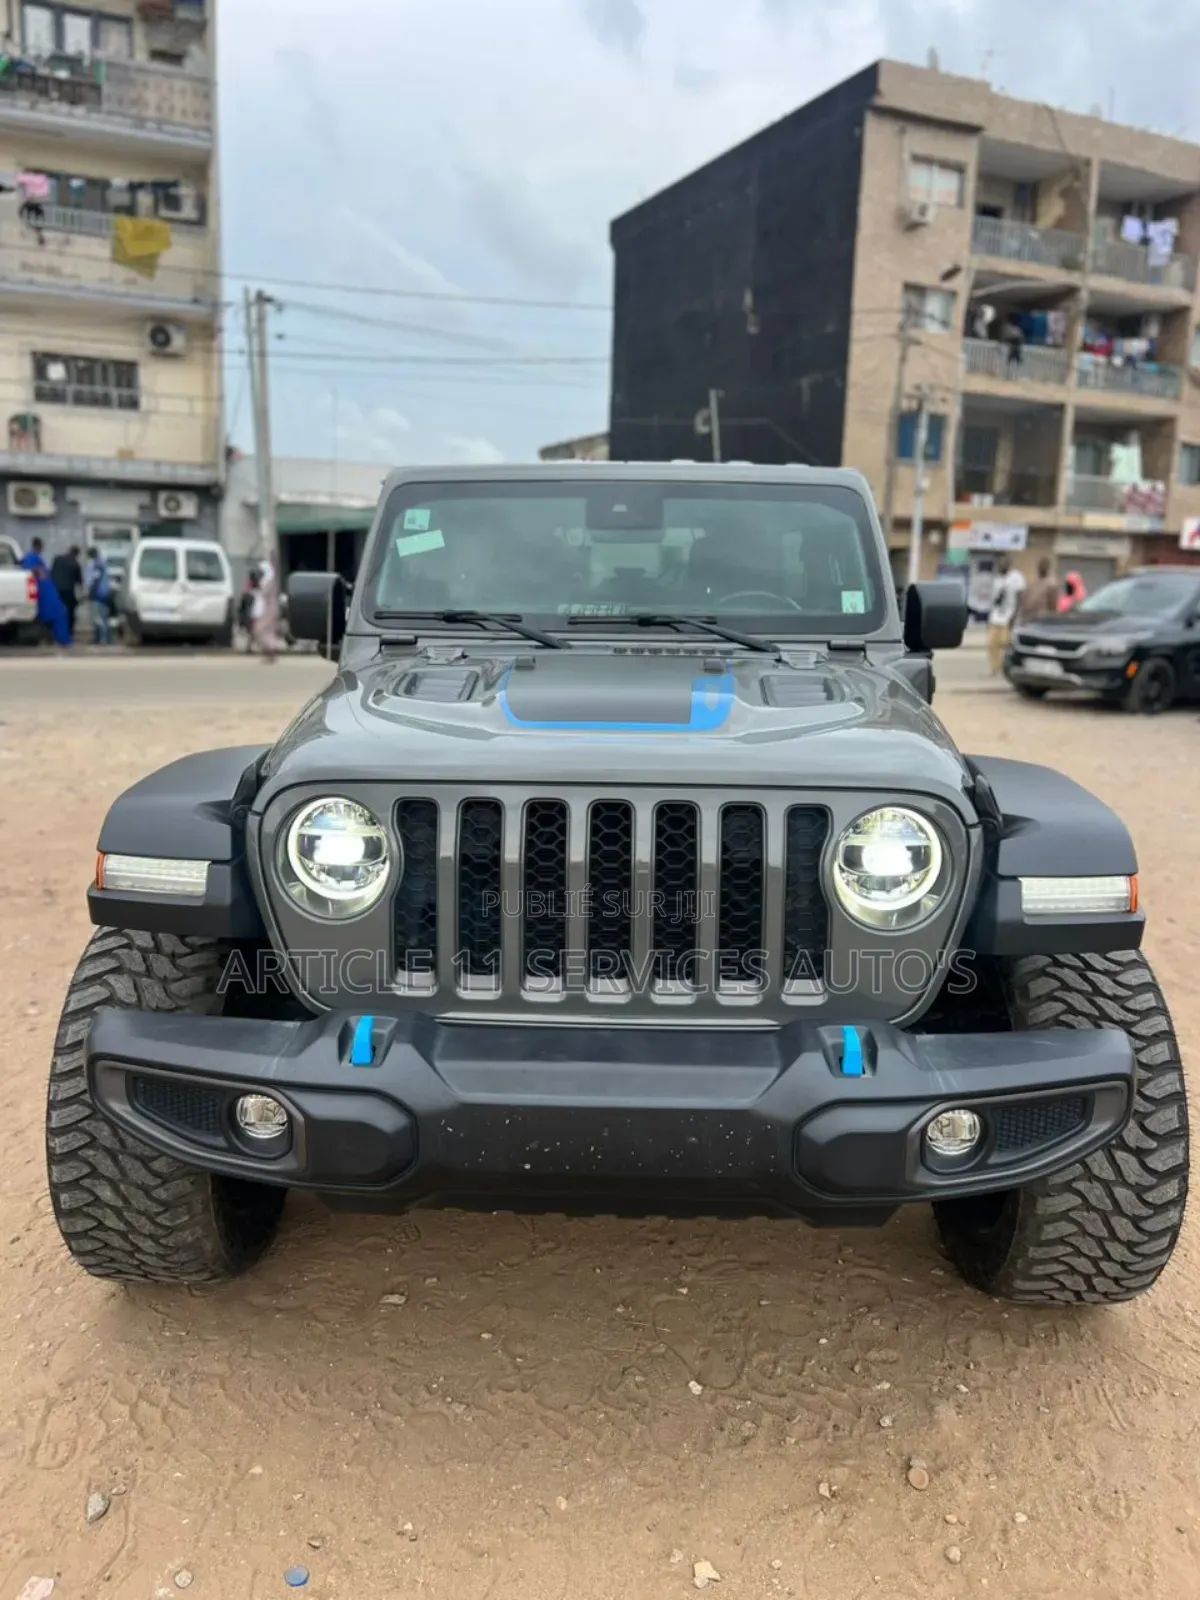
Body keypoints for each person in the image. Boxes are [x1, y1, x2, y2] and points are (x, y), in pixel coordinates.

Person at [20, 536, 71, 647]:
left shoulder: (30, 558)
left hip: (43, 593)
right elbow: (40, 575)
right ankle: (63, 640)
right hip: (44, 594)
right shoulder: (35, 559)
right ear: (39, 546)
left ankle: (54, 639)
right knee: (59, 614)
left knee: (55, 615)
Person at [986, 555, 1027, 675]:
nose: (1001, 567)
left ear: (1008, 565)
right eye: (999, 565)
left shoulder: (1016, 577)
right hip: (995, 617)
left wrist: (1015, 616)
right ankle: (995, 667)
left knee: (1007, 644)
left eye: (1003, 565)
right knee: (992, 644)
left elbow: (1020, 597)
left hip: (1008, 617)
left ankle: (1009, 667)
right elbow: (994, 600)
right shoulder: (997, 580)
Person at [249, 555, 280, 663]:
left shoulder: (269, 582)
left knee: (260, 629)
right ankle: (269, 653)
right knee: (267, 631)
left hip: (269, 610)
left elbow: (263, 593)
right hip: (268, 609)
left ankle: (270, 651)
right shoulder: (268, 581)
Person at [50, 544, 83, 642]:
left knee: (56, 612)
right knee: (70, 613)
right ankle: (68, 633)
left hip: (55, 590)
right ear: (77, 554)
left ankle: (54, 634)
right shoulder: (75, 564)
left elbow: (51, 573)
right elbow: (79, 582)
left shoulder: (57, 559)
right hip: (68, 591)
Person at [83, 546, 113, 645]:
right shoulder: (102, 563)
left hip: (99, 594)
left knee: (99, 618)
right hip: (104, 593)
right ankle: (104, 638)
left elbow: (96, 579)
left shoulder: (97, 564)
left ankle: (102, 639)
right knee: (104, 617)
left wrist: (91, 593)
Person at [1018, 556, 1059, 622]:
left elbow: (1053, 606)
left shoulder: (1031, 584)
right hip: (1034, 619)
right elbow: (1053, 607)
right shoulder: (1050, 584)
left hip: (1035, 620)